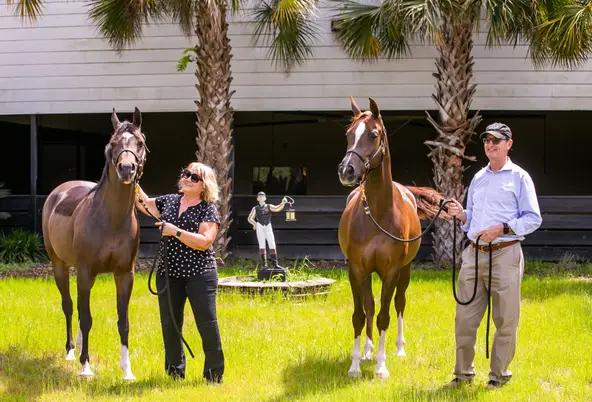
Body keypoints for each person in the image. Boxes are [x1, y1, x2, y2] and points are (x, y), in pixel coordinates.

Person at [444, 122, 542, 389]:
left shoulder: (520, 177)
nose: (490, 144)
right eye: (487, 140)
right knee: (464, 318)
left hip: (505, 254)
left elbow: (533, 218)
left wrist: (503, 228)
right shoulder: (479, 178)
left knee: (505, 319)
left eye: (496, 141)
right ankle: (462, 375)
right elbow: (473, 217)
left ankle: (498, 377)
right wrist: (461, 215)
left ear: (509, 144)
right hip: (473, 256)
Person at [135, 162, 224, 384]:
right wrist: (132, 182)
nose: (187, 178)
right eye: (186, 173)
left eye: (194, 177)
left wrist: (175, 231)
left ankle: (214, 376)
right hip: (168, 273)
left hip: (199, 274)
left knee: (206, 323)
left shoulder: (208, 209)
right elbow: (144, 203)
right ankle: (174, 373)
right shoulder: (170, 201)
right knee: (170, 324)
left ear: (204, 185)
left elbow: (205, 242)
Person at [247, 191, 288, 269]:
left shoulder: (269, 206)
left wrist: (283, 203)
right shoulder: (255, 208)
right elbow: (250, 218)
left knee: (272, 243)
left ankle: (275, 264)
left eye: (262, 196)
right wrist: (255, 224)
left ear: (265, 198)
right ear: (257, 199)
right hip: (260, 226)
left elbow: (277, 208)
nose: (261, 198)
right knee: (261, 245)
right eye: (259, 196)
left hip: (268, 225)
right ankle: (264, 265)